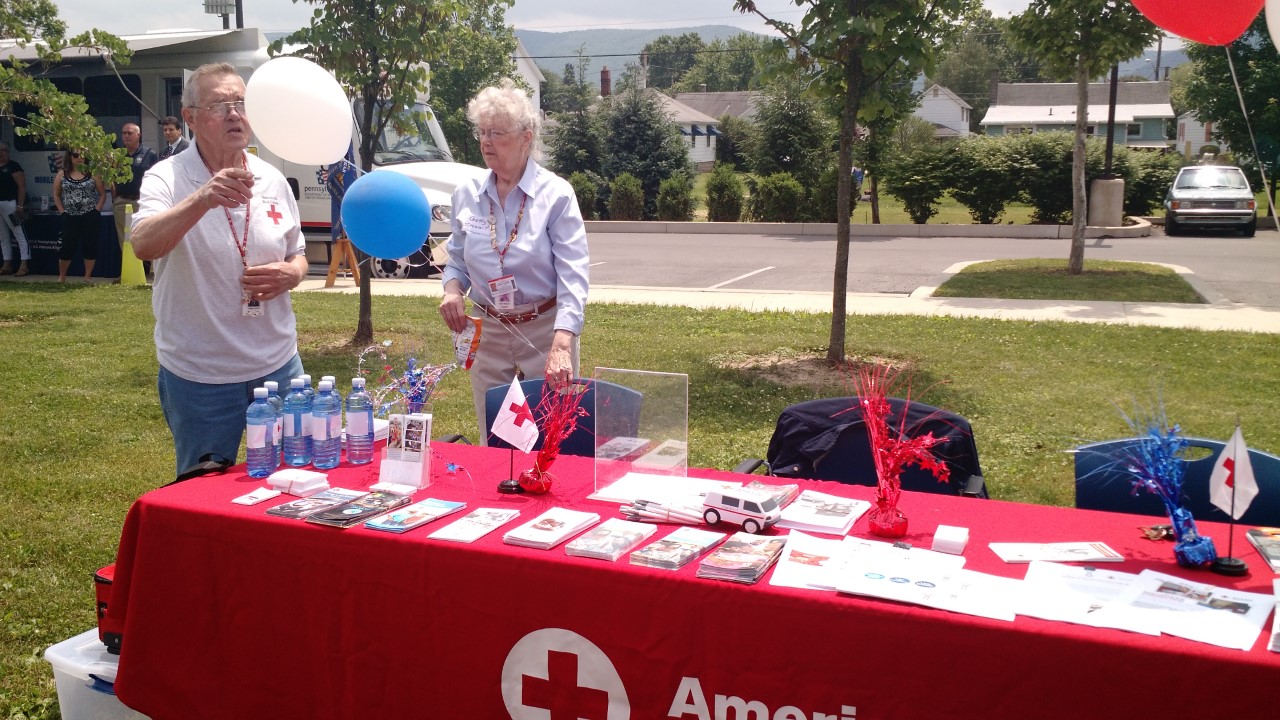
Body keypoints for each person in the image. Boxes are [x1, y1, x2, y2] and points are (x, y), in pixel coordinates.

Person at [131, 62, 309, 475]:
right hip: (200, 374)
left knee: (298, 482)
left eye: (241, 103)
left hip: (279, 364)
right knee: (204, 493)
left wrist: (294, 274)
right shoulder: (167, 177)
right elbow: (143, 245)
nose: (234, 114)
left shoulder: (272, 179)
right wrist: (202, 199)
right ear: (190, 118)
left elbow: (297, 253)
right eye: (220, 105)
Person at [438, 79, 589, 443]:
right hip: (488, 331)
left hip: (544, 328)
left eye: (497, 133)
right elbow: (457, 259)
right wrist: (453, 290)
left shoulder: (556, 195)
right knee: (498, 437)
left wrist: (562, 343)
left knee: (557, 435)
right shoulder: (467, 194)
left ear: (526, 137)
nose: (486, 142)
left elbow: (573, 274)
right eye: (482, 132)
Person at [112, 122, 158, 276]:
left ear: (139, 135)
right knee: (123, 238)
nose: (126, 136)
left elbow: (156, 178)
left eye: (129, 133)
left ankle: (144, 271)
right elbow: (111, 178)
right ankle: (127, 271)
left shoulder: (149, 154)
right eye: (124, 133)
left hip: (140, 202)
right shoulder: (117, 155)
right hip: (121, 202)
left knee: (142, 235)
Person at [52, 150, 106, 282]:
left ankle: (87, 276)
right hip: (70, 216)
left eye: (83, 155)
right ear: (70, 157)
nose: (80, 158)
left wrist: (96, 210)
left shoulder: (93, 173)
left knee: (90, 245)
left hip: (89, 216)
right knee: (66, 246)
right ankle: (62, 276)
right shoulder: (62, 174)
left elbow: (102, 194)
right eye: (76, 155)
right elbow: (56, 195)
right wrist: (62, 212)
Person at [0, 142, 31, 277]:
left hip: (11, 205)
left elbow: (22, 187)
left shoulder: (13, 166)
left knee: (19, 234)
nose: (2, 153)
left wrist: (20, 206)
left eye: (4, 150)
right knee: (3, 236)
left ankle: (24, 265)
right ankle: (7, 264)